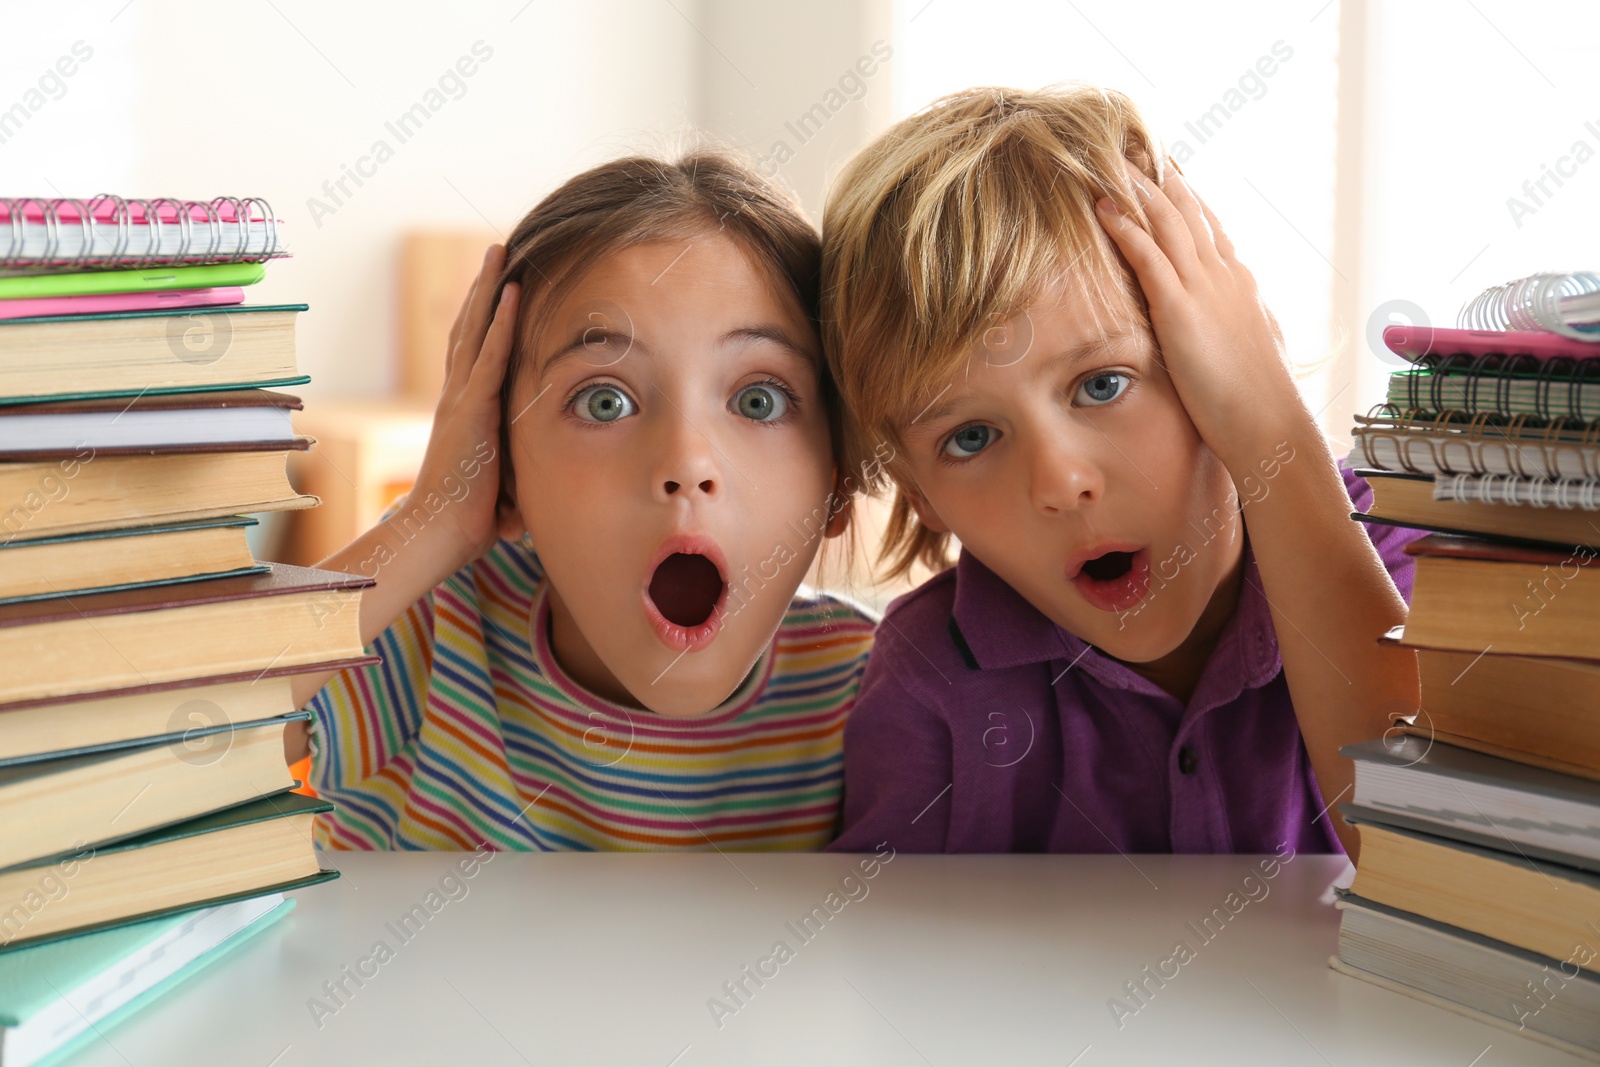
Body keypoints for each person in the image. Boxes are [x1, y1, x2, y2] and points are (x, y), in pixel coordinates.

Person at [820, 85, 1426, 858]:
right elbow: (879, 967)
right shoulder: (927, 684)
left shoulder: (1408, 562)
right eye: (972, 436)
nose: (1060, 481)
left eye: (1102, 384)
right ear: (920, 495)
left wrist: (1273, 430)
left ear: (1223, 357)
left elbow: (1441, 862)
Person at [284, 149, 877, 851]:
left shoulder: (872, 692)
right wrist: (432, 520)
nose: (688, 463)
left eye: (758, 398)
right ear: (505, 470)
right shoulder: (436, 625)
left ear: (839, 480)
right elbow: (153, 757)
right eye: (605, 399)